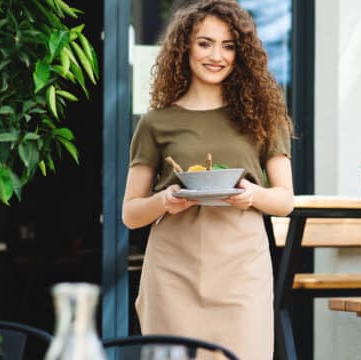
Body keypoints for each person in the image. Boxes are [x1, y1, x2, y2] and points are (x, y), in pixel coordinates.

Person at [121, 1, 294, 359]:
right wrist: (165, 200)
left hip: (241, 268)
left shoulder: (263, 117)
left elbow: (284, 200)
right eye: (205, 43)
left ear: (240, 54)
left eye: (228, 46)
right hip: (173, 269)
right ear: (184, 47)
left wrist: (251, 195)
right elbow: (131, 213)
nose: (217, 55)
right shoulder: (156, 123)